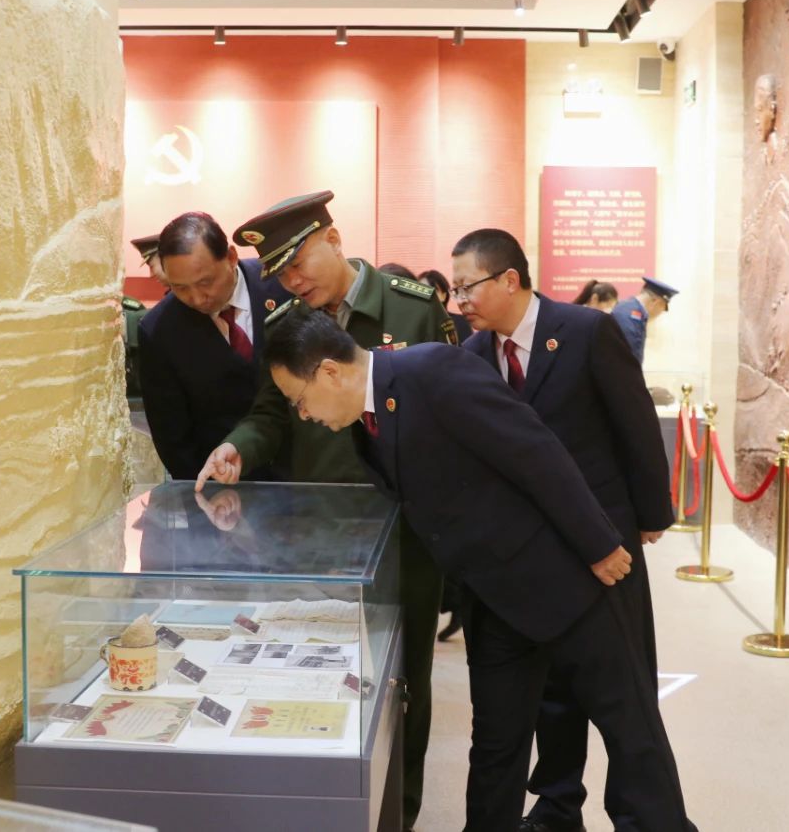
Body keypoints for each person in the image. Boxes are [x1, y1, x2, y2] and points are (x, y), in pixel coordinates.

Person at [240, 309, 694, 832]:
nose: (301, 415)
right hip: (494, 597)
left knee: (630, 728)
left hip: (566, 579)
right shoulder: (368, 420)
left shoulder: (434, 371)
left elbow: (534, 451)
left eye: (298, 399)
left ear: (329, 372)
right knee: (497, 741)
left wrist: (598, 544)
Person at [195, 191, 456, 832]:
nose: (291, 282)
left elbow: (453, 408)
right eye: (278, 273)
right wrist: (237, 448)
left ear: (334, 240)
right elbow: (270, 413)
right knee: (321, 666)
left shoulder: (413, 308)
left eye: (297, 263)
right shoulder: (288, 322)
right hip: (319, 529)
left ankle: (399, 811)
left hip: (406, 533)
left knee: (404, 681)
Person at [452, 228, 676, 832]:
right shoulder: (472, 357)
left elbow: (635, 423)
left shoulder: (585, 332)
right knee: (551, 691)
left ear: (509, 279)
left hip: (603, 547)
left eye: (467, 287)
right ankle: (557, 806)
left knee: (624, 696)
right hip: (528, 558)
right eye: (454, 290)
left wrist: (650, 514)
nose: (459, 301)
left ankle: (640, 818)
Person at [136, 212, 292, 481]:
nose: (197, 298)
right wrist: (206, 490)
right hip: (226, 482)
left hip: (306, 474)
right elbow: (172, 435)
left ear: (231, 257)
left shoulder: (281, 283)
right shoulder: (159, 330)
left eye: (205, 282)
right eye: (180, 288)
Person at [611, 276, 679, 364]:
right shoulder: (632, 316)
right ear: (655, 301)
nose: (660, 313)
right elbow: (630, 354)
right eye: (663, 307)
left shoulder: (627, 307)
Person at [419, 268, 474, 345]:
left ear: (444, 296)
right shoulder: (412, 325)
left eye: (432, 291)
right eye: (421, 291)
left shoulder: (460, 322)